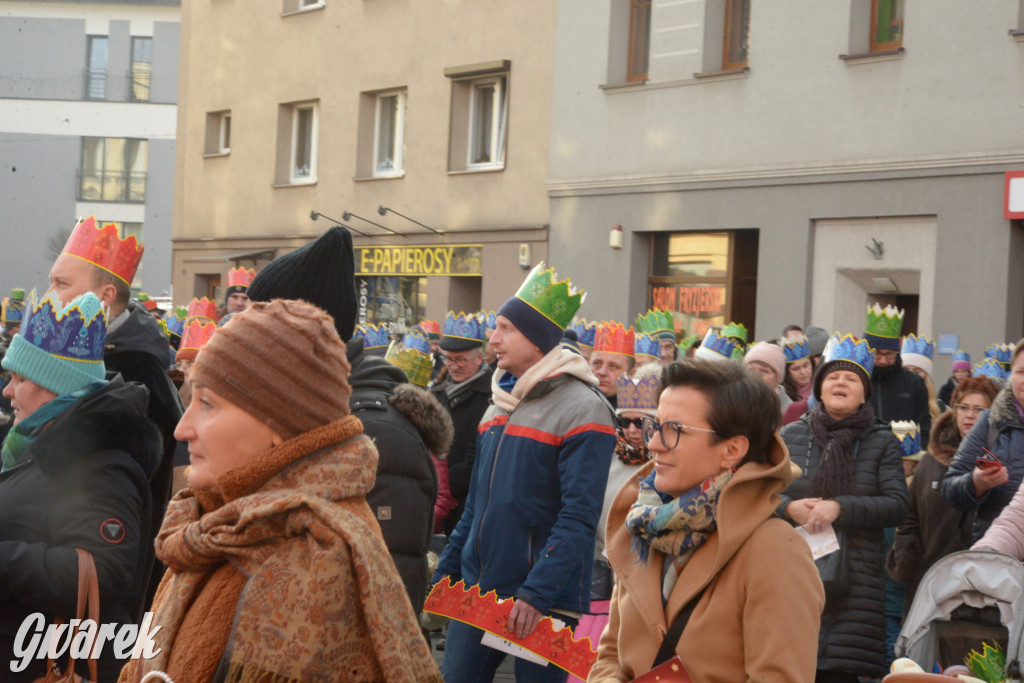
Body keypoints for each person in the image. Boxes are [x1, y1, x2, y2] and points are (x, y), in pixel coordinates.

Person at [118, 300, 440, 683]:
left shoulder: (318, 562)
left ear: (280, 424)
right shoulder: (216, 526)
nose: (182, 430)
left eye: (207, 404)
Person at [432, 263, 615, 683]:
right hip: (480, 589)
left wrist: (537, 593)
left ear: (538, 339)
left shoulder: (584, 408)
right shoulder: (499, 402)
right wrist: (447, 569)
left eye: (506, 328)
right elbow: (478, 504)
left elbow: (579, 515)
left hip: (543, 600)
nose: (493, 339)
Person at [589, 360, 823, 681]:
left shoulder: (775, 549)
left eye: (675, 430)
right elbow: (611, 657)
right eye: (655, 426)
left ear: (732, 449)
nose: (654, 443)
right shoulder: (643, 524)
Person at [246, 226, 437, 616]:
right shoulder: (289, 408)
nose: (245, 334)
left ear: (304, 329)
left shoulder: (382, 433)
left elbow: (391, 589)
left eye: (260, 318)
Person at [1, 292, 160, 683]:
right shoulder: (37, 445)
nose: (7, 391)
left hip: (48, 667)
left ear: (53, 386)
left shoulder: (101, 463)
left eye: (19, 379)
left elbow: (101, 573)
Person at [48, 216, 184, 613]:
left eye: (62, 285)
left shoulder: (137, 380)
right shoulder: (88, 359)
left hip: (101, 608)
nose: (50, 298)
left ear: (105, 297)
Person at [777, 333, 909, 682]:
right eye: (833, 376)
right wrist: (790, 509)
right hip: (793, 573)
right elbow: (757, 497)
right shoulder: (790, 435)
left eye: (851, 378)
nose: (841, 382)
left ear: (864, 392)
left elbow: (897, 505)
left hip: (856, 584)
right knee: (788, 666)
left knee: (838, 671)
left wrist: (840, 507)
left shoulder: (881, 440)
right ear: (819, 388)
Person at [889, 377, 1000, 613]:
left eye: (979, 410)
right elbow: (911, 517)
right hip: (929, 582)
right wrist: (907, 558)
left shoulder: (1003, 461)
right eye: (963, 407)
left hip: (985, 589)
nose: (969, 415)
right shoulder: (932, 459)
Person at [942, 339, 1024, 542]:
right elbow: (950, 488)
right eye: (1021, 372)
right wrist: (976, 484)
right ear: (1011, 375)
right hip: (997, 554)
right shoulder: (990, 422)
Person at [430, 311, 492, 534]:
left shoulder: (490, 397)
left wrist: (452, 489)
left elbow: (481, 453)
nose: (454, 366)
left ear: (479, 358)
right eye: (449, 359)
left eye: (461, 359)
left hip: (468, 502)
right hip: (436, 499)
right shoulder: (436, 395)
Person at [864, 303, 931, 448]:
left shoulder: (914, 383)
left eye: (889, 354)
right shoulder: (858, 381)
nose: (883, 360)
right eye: (877, 354)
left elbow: (924, 428)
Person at [590, 322, 635, 408]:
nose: (602, 372)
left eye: (613, 366)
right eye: (597, 363)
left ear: (631, 374)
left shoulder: (632, 417)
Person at [901, 333, 946, 419]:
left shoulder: (941, 409)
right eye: (906, 370)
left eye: (917, 372)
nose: (911, 376)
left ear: (926, 376)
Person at [744, 340, 791, 413]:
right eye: (751, 369)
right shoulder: (736, 401)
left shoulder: (788, 411)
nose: (756, 376)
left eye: (764, 371)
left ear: (777, 378)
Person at [782, 335, 815, 425]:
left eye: (806, 365)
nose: (803, 372)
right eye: (796, 369)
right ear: (787, 373)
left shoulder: (821, 388)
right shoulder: (783, 394)